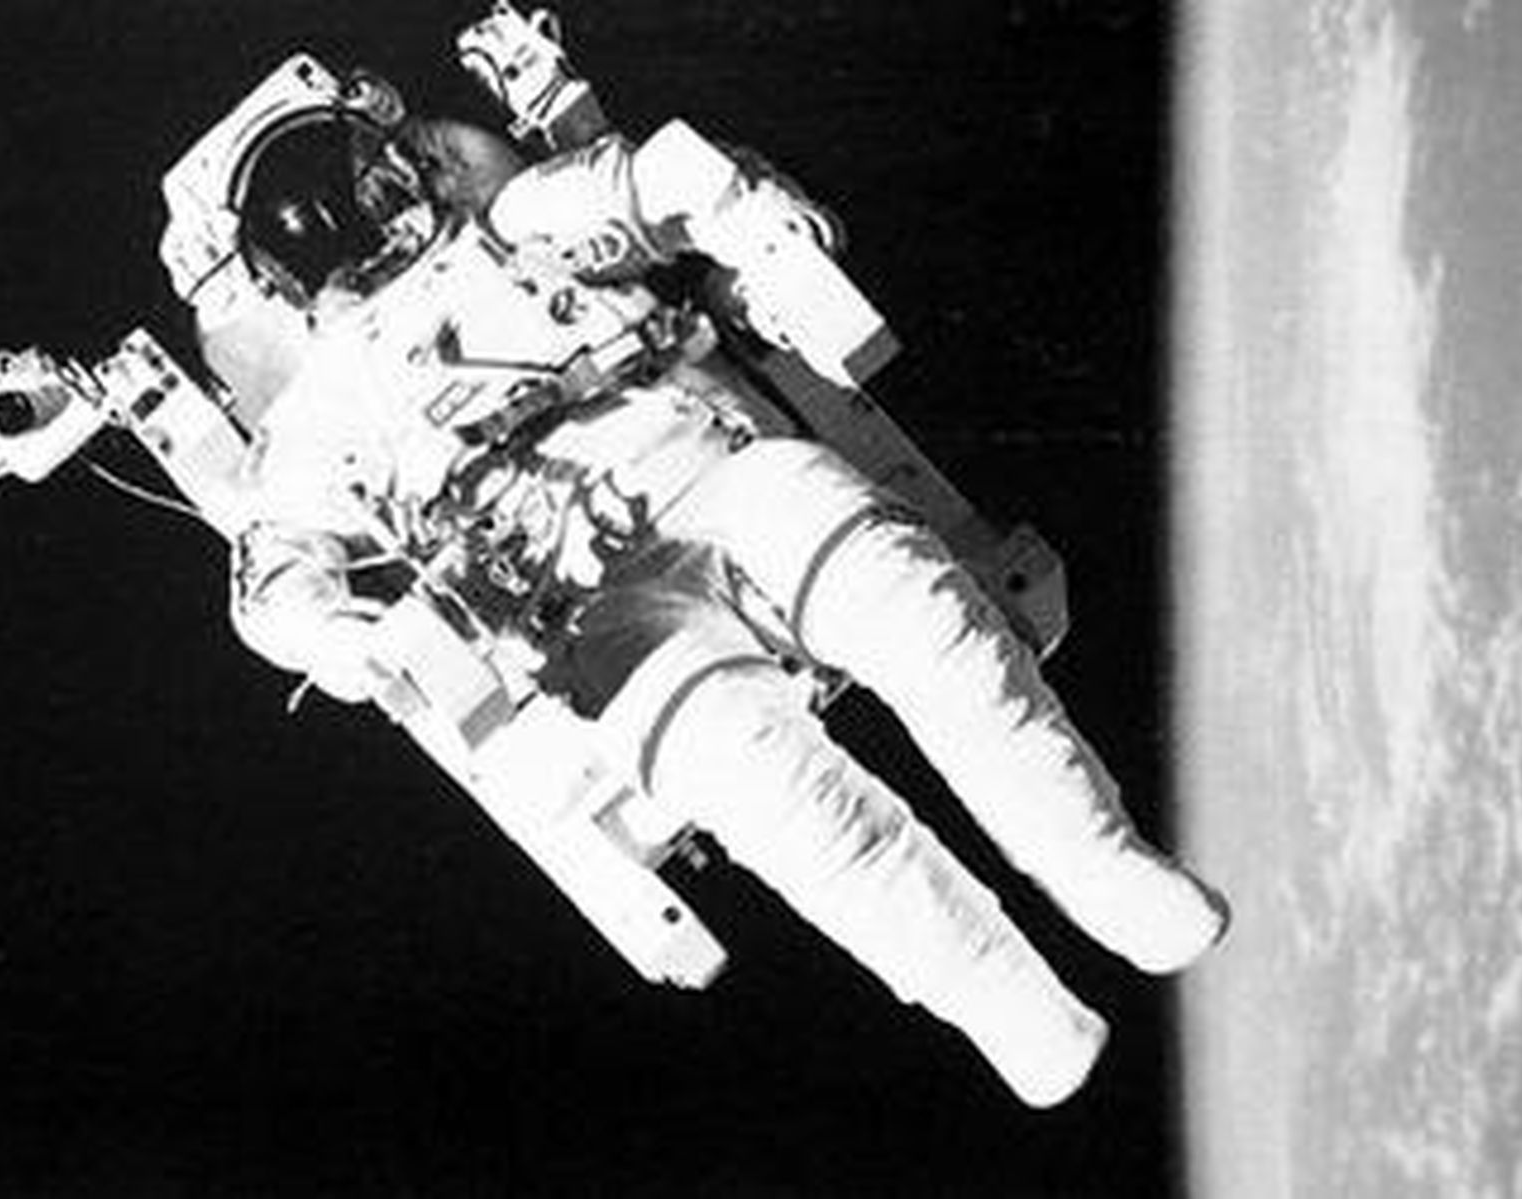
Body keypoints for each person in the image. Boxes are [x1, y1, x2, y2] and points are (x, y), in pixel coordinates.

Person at [199, 68, 1229, 1108]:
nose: (358, 223)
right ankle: (1009, 1003)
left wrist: (764, 227)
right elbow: (274, 577)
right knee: (795, 809)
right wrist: (347, 639)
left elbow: (667, 181)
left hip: (717, 475)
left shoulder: (511, 229)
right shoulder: (316, 420)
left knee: (925, 622)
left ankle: (1104, 866)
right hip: (592, 617)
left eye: (358, 187)